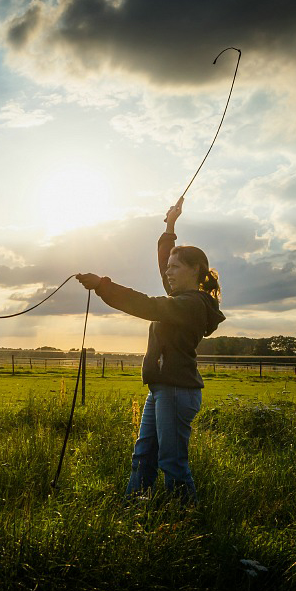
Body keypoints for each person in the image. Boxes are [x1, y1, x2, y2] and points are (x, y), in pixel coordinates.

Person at [76, 199, 225, 504]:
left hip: (176, 390)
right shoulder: (182, 297)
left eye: (175, 268)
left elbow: (147, 305)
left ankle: (183, 521)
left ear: (195, 270)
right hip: (161, 389)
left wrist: (103, 285)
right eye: (167, 268)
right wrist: (170, 225)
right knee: (144, 455)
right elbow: (163, 262)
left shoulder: (190, 304)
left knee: (171, 463)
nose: (167, 272)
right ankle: (136, 509)